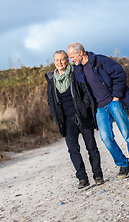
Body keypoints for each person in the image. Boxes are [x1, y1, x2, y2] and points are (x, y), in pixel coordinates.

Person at [67, 42, 129, 178]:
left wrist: (116, 96)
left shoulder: (99, 60)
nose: (71, 60)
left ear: (80, 53)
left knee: (127, 135)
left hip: (114, 102)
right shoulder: (77, 70)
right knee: (106, 138)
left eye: (72, 57)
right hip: (99, 108)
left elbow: (119, 73)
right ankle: (123, 164)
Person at [45, 50, 104, 189]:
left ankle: (98, 175)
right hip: (66, 120)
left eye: (62, 59)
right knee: (73, 150)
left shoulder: (75, 73)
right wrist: (56, 116)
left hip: (82, 116)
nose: (59, 63)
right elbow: (51, 101)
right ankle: (82, 178)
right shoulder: (51, 79)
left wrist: (83, 107)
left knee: (91, 147)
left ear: (67, 60)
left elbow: (86, 92)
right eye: (56, 60)